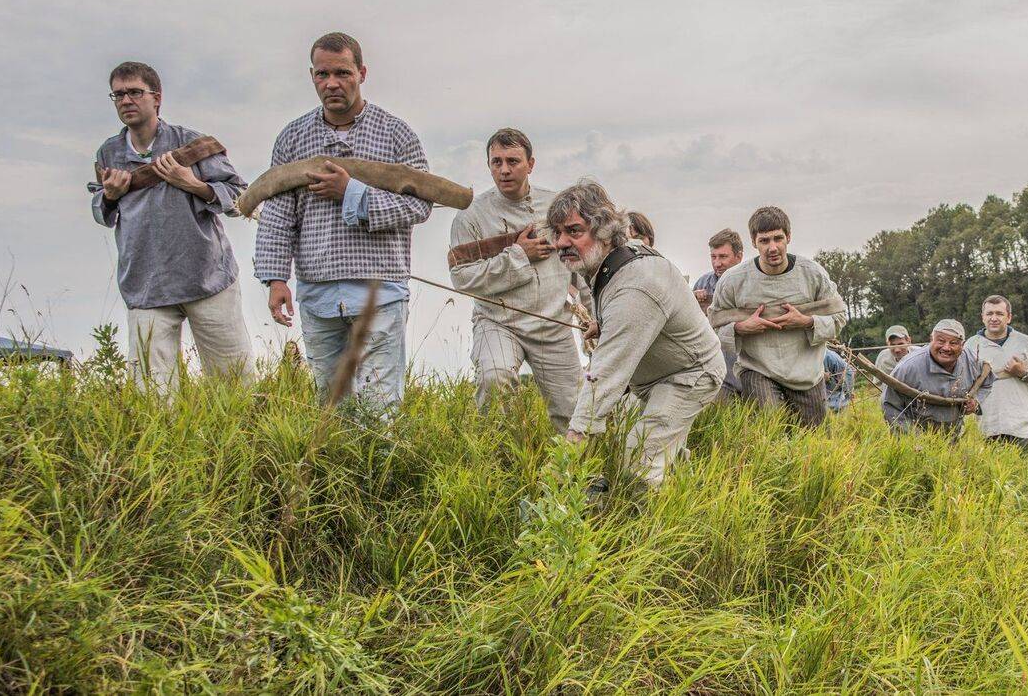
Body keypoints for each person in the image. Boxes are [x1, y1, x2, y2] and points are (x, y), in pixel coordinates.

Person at [254, 32, 432, 414]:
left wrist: (353, 193)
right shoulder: (292, 138)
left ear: (361, 73)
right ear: (312, 77)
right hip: (318, 292)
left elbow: (420, 205)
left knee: (380, 405)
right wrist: (276, 279)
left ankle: (381, 456)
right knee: (331, 403)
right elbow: (277, 214)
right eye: (322, 74)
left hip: (379, 290)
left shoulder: (396, 134)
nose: (332, 83)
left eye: (342, 73)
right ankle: (337, 454)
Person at [551, 180, 723, 487]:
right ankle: (690, 493)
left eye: (574, 231)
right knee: (654, 449)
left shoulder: (636, 285)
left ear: (604, 231)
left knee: (640, 458)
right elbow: (636, 314)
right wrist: (606, 323)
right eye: (557, 232)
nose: (561, 242)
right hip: (657, 373)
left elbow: (605, 374)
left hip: (689, 374)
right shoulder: (614, 262)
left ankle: (651, 517)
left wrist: (567, 453)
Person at [92, 60, 254, 385]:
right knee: (153, 394)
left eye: (135, 92)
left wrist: (192, 183)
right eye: (118, 95)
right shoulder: (109, 154)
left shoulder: (193, 145)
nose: (126, 100)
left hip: (206, 278)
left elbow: (241, 198)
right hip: (146, 285)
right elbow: (101, 211)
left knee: (235, 385)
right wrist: (109, 196)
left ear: (157, 98)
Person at [449, 128, 587, 433]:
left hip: (553, 323)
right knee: (494, 378)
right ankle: (498, 458)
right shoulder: (470, 216)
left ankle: (575, 464)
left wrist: (593, 313)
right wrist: (519, 256)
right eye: (496, 162)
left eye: (513, 161)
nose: (504, 170)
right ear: (488, 165)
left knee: (574, 410)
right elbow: (461, 277)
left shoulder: (557, 207)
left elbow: (582, 263)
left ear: (530, 164)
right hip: (497, 321)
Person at [710, 206, 847, 427]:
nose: (772, 248)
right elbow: (714, 326)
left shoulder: (812, 274)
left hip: (805, 373)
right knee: (770, 428)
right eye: (764, 241)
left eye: (778, 238)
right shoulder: (733, 281)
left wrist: (806, 322)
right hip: (757, 368)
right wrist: (740, 328)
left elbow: (839, 318)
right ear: (754, 242)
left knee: (813, 435)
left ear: (788, 237)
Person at [964, 295, 1028, 450]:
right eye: (989, 314)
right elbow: (962, 381)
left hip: (1021, 426)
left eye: (999, 313)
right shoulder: (971, 345)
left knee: (1022, 465)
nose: (994, 318)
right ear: (982, 317)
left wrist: (1023, 372)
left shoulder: (1025, 342)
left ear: (1009, 317)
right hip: (986, 425)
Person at [881, 319, 989, 436]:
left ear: (962, 345)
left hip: (954, 435)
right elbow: (889, 404)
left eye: (953, 343)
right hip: (915, 437)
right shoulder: (908, 367)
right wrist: (912, 436)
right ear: (931, 339)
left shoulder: (971, 361)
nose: (946, 348)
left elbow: (987, 379)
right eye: (941, 341)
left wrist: (975, 402)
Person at [694, 228, 745, 399]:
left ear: (739, 256)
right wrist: (693, 301)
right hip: (717, 376)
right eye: (713, 257)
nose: (717, 263)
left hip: (749, 371)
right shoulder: (702, 283)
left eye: (723, 257)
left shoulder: (752, 283)